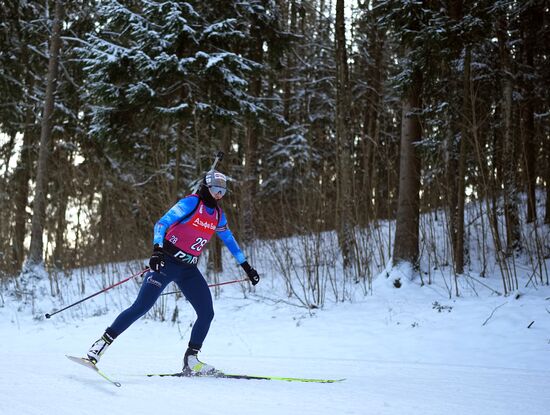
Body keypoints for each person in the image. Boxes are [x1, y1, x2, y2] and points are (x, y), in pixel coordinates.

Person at [85, 170, 260, 375]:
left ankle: (191, 360)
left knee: (207, 313)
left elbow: (229, 240)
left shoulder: (219, 215)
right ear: (206, 186)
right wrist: (157, 251)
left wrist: (246, 266)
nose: (219, 193)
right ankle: (100, 345)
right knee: (141, 307)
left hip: (188, 269)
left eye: (223, 190)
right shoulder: (191, 203)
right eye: (215, 188)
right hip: (166, 263)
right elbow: (161, 223)